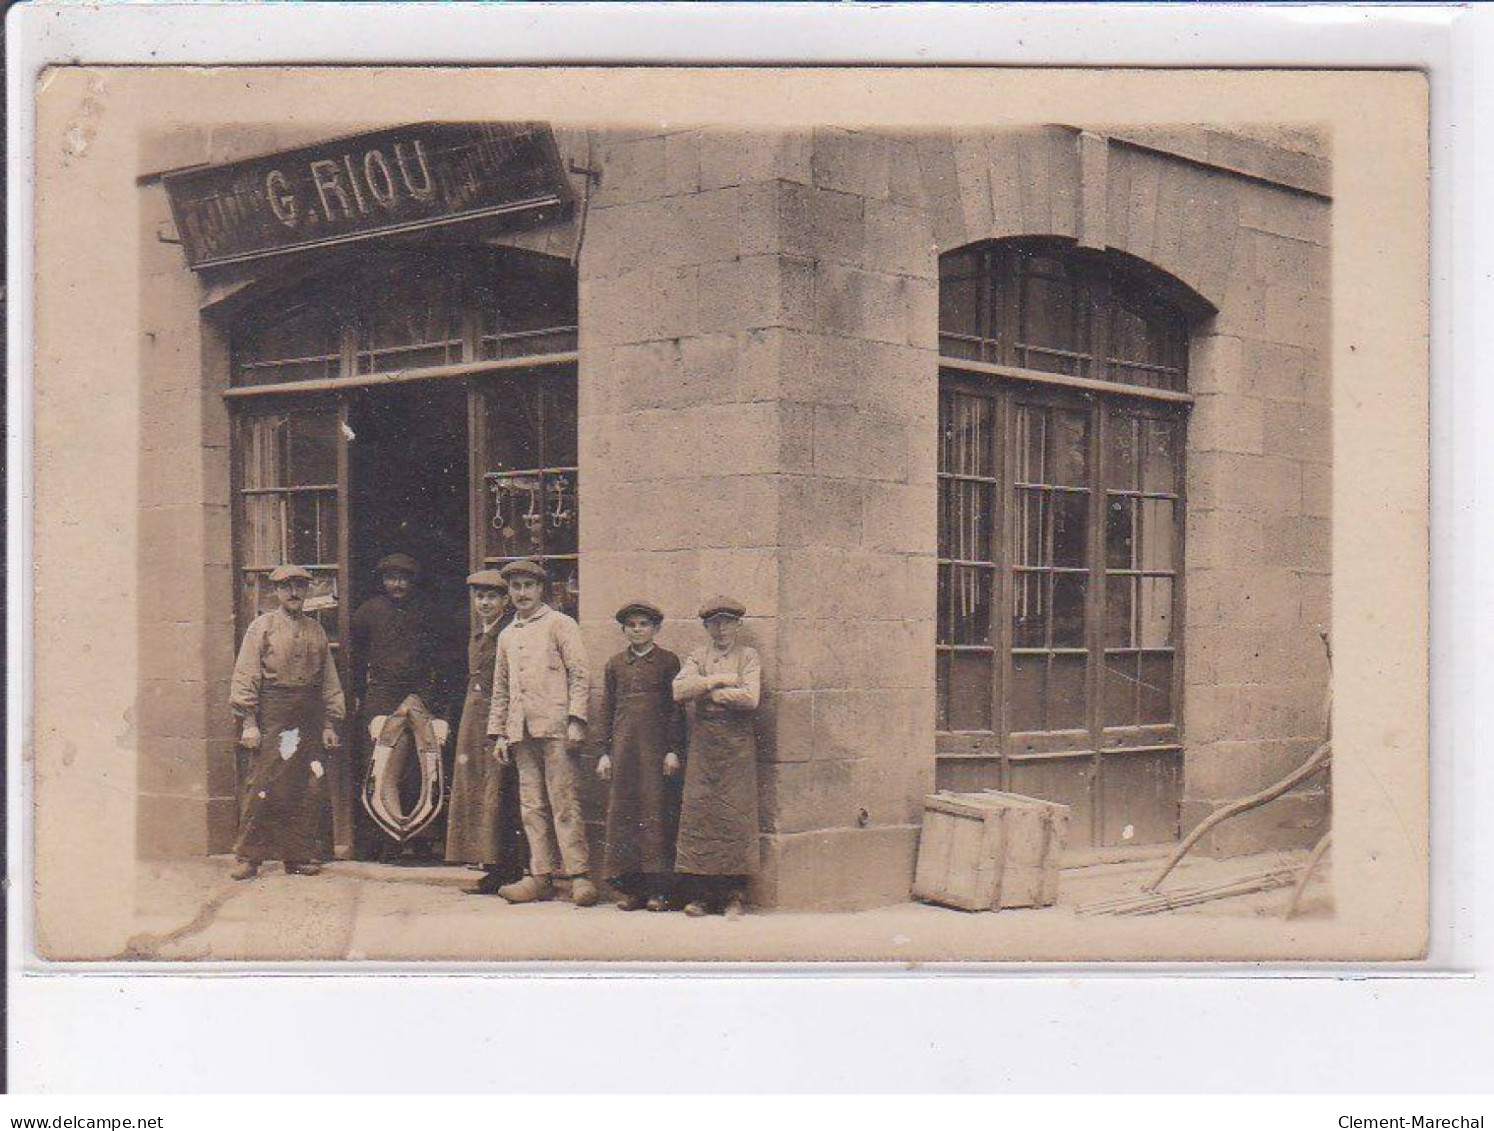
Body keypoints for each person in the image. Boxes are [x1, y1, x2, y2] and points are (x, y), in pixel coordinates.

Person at [485, 559, 596, 907]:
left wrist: (577, 719)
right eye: (515, 587)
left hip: (556, 728)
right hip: (520, 732)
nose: (521, 594)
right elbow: (500, 688)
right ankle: (540, 875)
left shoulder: (560, 625)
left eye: (527, 586)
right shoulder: (506, 636)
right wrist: (499, 734)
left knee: (564, 801)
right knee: (531, 806)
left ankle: (578, 876)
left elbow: (580, 674)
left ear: (540, 589)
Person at [227, 564, 346, 880]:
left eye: (300, 587)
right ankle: (250, 856)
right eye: (287, 587)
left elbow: (328, 680)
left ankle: (298, 855)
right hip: (274, 711)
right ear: (275, 591)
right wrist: (249, 722)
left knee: (307, 782)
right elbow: (246, 675)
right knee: (265, 781)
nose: (294, 593)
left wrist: (331, 723)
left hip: (309, 711)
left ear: (307, 591)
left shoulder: (316, 631)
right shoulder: (261, 627)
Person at [350, 552, 445, 860]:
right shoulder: (367, 612)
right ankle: (383, 839)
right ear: (383, 581)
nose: (397, 584)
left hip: (419, 693)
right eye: (391, 578)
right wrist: (359, 694)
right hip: (381, 694)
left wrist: (428, 700)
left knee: (420, 766)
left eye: (403, 578)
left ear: (412, 581)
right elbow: (356, 657)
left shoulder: (428, 612)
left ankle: (420, 839)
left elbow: (438, 659)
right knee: (380, 763)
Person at [671, 597, 762, 918]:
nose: (721, 629)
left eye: (727, 622)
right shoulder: (698, 656)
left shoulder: (747, 656)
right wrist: (717, 681)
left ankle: (733, 896)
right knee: (701, 814)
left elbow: (751, 697)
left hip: (736, 749)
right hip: (703, 745)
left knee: (734, 817)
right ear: (706, 627)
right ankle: (701, 896)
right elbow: (679, 690)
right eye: (714, 623)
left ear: (737, 626)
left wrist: (709, 695)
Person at [595, 600, 686, 912]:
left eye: (643, 624)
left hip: (655, 753)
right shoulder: (615, 665)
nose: (637, 630)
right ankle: (632, 889)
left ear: (655, 629)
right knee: (625, 817)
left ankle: (659, 891)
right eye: (631, 625)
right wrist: (604, 753)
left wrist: (673, 749)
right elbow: (607, 710)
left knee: (655, 815)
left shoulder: (668, 663)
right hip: (624, 753)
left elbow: (677, 711)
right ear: (624, 629)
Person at [444, 569, 526, 894]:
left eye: (492, 596)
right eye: (480, 597)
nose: (485, 603)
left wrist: (503, 725)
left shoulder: (508, 634)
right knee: (477, 789)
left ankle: (506, 868)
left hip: (497, 718)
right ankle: (488, 865)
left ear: (505, 600)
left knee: (500, 791)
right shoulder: (478, 636)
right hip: (473, 717)